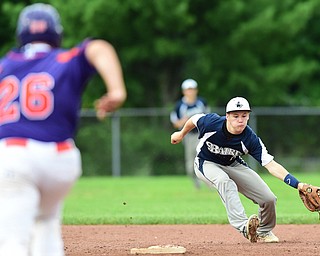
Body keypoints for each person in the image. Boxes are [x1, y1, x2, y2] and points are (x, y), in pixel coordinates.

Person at [0, 3, 126, 256]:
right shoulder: (65, 59)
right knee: (46, 221)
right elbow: (99, 47)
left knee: (13, 242)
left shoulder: (4, 66)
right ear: (56, 33)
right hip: (61, 159)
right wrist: (117, 91)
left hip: (13, 158)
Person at [171, 96, 304, 243]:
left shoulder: (250, 138)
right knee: (224, 181)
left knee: (269, 198)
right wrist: (181, 134)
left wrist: (298, 185)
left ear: (248, 116)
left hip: (233, 164)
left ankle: (262, 232)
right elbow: (194, 119)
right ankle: (244, 227)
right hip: (206, 163)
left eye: (244, 116)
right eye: (235, 116)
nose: (240, 120)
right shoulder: (212, 123)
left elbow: (271, 165)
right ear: (227, 116)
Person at [170, 79, 209, 189]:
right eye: (188, 90)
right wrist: (185, 121)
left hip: (201, 134)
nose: (190, 92)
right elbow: (176, 123)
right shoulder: (180, 106)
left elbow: (208, 118)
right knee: (190, 164)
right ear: (184, 91)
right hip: (188, 135)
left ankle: (210, 182)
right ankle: (196, 184)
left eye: (192, 89)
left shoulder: (201, 102)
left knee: (204, 157)